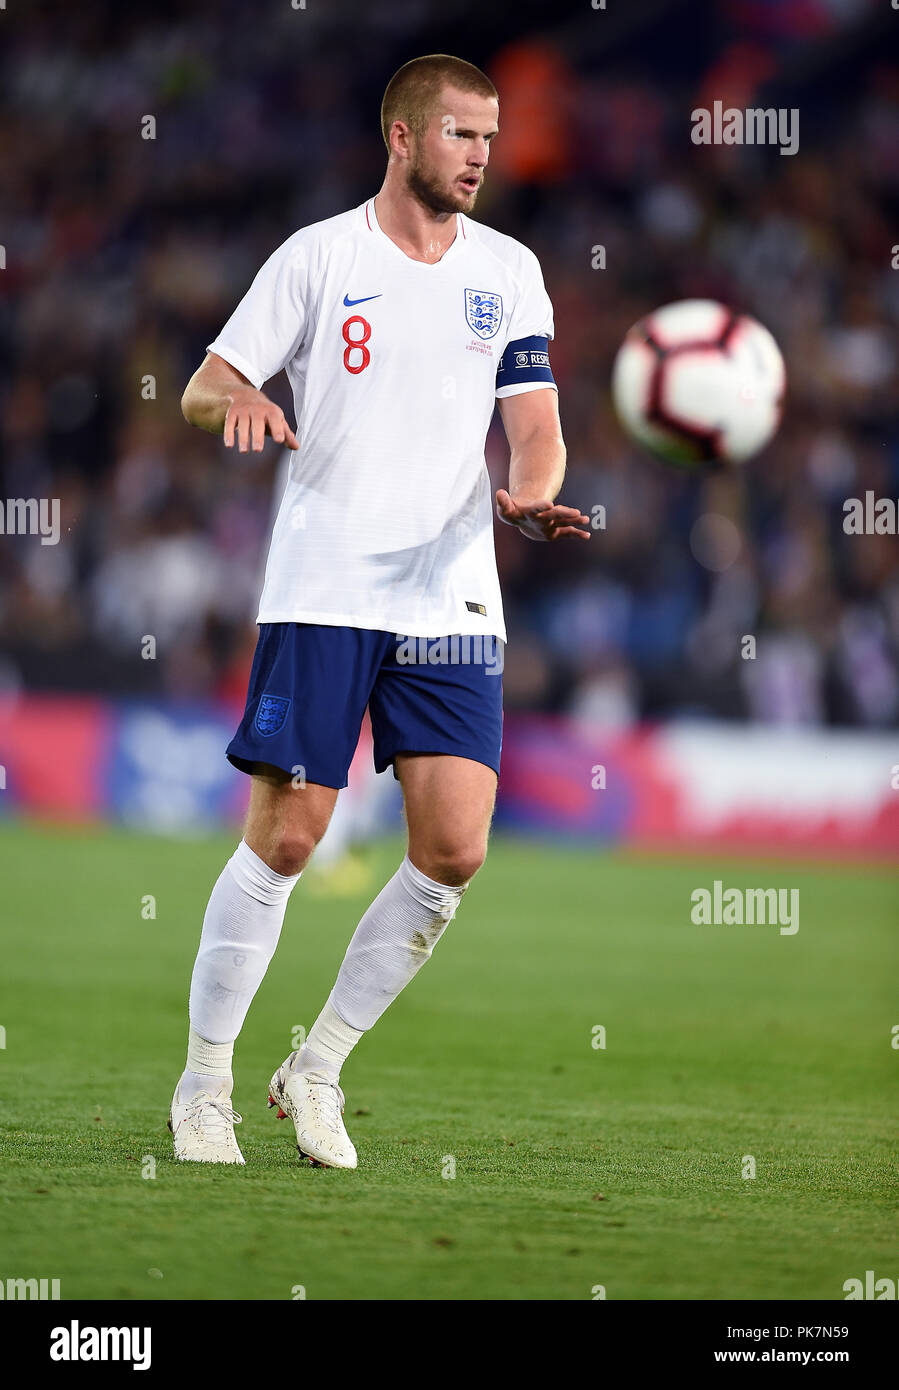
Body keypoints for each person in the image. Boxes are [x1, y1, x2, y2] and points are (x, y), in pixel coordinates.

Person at [170, 53, 589, 1168]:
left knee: (452, 851)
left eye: (489, 139)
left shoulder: (509, 270)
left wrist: (533, 496)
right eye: (460, 135)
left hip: (451, 586)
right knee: (291, 835)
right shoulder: (319, 256)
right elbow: (201, 386)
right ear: (401, 137)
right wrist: (245, 398)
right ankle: (203, 1083)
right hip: (326, 580)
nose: (481, 156)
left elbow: (534, 425)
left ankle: (315, 1068)